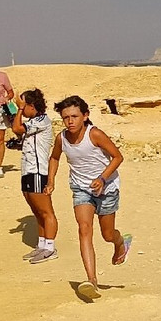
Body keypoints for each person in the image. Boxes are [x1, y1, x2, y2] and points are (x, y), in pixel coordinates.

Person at [48, 95, 132, 301]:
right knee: (84, 229)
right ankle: (92, 280)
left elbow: (118, 156)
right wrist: (51, 181)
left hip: (107, 188)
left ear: (85, 116)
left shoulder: (94, 134)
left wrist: (103, 179)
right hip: (81, 188)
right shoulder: (61, 138)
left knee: (107, 233)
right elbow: (55, 157)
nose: (70, 121)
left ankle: (120, 242)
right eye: (66, 117)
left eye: (75, 116)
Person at [12, 89, 59, 264]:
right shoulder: (33, 121)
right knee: (36, 211)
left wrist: (18, 110)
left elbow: (17, 128)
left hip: (38, 172)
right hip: (27, 171)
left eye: (24, 107)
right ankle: (42, 245)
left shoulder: (42, 120)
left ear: (31, 106)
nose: (22, 111)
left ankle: (50, 248)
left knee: (46, 212)